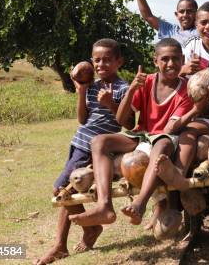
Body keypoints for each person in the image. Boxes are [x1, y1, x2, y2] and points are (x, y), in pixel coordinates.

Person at [68, 38, 209, 227]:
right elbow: (121, 120)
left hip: (166, 136)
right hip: (142, 135)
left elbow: (169, 129)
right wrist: (132, 89)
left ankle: (140, 204)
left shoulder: (186, 89)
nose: (171, 64)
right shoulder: (147, 81)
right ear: (155, 61)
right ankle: (104, 206)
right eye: (165, 59)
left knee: (162, 143)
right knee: (99, 142)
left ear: (182, 59)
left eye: (176, 59)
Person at [35, 39, 129, 265]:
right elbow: (82, 119)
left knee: (60, 188)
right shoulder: (93, 86)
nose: (101, 64)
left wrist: (110, 104)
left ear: (119, 62)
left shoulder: (123, 88)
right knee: (65, 190)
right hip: (78, 143)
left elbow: (128, 121)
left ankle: (63, 243)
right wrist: (82, 91)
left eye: (107, 60)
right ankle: (87, 230)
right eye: (97, 60)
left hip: (92, 148)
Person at [127, 0, 198, 47]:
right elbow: (148, 17)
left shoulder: (201, 32)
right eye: (182, 12)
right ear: (176, 15)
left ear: (197, 14)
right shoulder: (170, 30)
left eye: (189, 11)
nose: (185, 15)